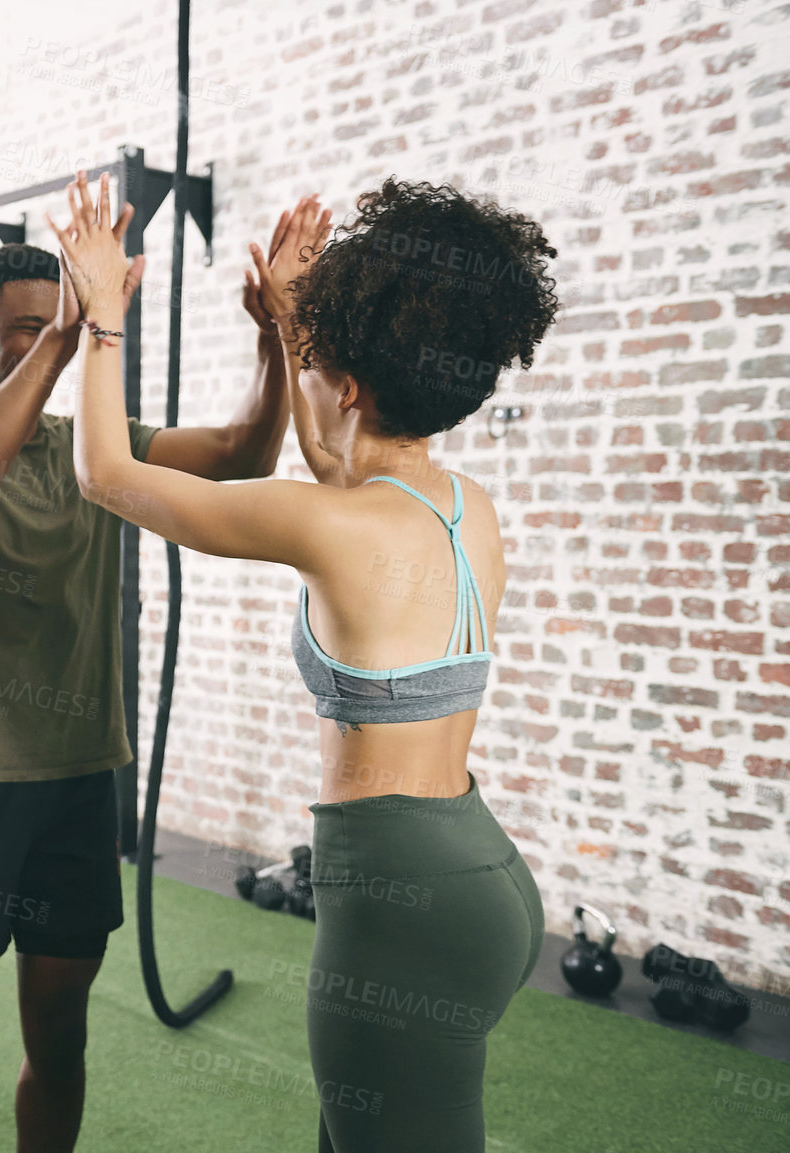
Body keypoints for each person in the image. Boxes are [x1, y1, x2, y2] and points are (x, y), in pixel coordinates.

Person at [50, 171, 555, 1152]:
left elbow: (103, 473)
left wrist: (101, 316)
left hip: (399, 910)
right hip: (478, 875)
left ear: (353, 383)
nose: (311, 374)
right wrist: (291, 322)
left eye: (322, 359)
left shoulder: (325, 521)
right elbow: (340, 456)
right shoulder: (460, 506)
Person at [0, 236, 295, 1152]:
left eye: (51, 326)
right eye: (23, 329)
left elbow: (242, 453)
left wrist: (276, 341)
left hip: (74, 786)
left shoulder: (94, 449)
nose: (43, 343)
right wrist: (70, 337)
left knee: (61, 1036)